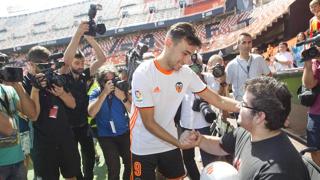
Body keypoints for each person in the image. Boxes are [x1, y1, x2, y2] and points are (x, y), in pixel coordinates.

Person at [130, 22, 239, 180]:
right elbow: (149, 123)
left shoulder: (185, 73)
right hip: (143, 146)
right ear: (168, 42)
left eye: (191, 55)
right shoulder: (143, 73)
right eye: (185, 53)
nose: (188, 61)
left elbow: (217, 100)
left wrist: (246, 107)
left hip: (170, 142)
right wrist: (178, 142)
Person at [180, 76, 310, 180]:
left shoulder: (278, 172)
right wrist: (200, 140)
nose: (237, 107)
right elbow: (221, 145)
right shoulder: (248, 132)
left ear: (259, 116)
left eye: (243, 104)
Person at [23, 46, 80, 180]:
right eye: (41, 65)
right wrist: (35, 88)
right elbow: (33, 115)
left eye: (48, 64)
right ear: (31, 65)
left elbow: (72, 104)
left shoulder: (55, 77)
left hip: (65, 138)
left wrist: (62, 94)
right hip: (43, 143)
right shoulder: (25, 83)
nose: (45, 68)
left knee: (71, 175)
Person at [62, 21, 106, 180]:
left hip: (83, 125)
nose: (80, 66)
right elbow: (66, 60)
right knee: (74, 160)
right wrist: (78, 34)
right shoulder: (63, 76)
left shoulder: (84, 76)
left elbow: (102, 59)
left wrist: (90, 39)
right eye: (77, 63)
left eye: (82, 63)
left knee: (89, 157)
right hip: (68, 128)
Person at [88, 64, 131, 180]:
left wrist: (123, 97)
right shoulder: (96, 92)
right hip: (106, 136)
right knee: (114, 167)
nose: (111, 83)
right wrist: (104, 93)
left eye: (113, 79)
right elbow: (91, 113)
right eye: (107, 81)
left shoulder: (121, 89)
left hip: (124, 133)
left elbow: (132, 109)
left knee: (130, 163)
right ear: (101, 82)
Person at [0, 78, 37, 179]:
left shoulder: (8, 90)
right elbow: (8, 129)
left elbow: (32, 115)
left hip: (17, 160)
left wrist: (19, 88)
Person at [225, 32, 271, 101]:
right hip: (240, 104)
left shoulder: (259, 58)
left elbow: (270, 77)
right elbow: (225, 86)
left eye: (249, 42)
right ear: (238, 44)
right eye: (243, 42)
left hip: (258, 102)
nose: (247, 45)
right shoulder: (231, 65)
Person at [302, 0, 320, 167]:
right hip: (316, 113)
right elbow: (309, 84)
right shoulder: (314, 59)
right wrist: (308, 63)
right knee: (314, 148)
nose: (315, 10)